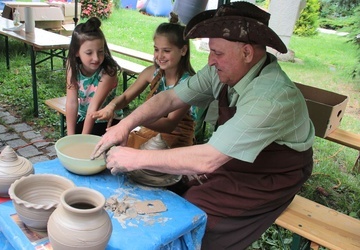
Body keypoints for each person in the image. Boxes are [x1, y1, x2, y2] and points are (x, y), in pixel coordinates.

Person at [92, 2, 315, 249]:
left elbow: (207, 160)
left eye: (217, 53)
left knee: (196, 215)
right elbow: (170, 98)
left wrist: (134, 158)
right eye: (210, 51)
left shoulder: (271, 97)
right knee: (176, 190)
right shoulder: (223, 71)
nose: (210, 61)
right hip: (234, 155)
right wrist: (126, 125)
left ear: (247, 53)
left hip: (271, 173)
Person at [91, 13, 196, 148]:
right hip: (148, 133)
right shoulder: (153, 72)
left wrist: (132, 120)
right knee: (109, 147)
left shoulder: (189, 83)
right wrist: (111, 106)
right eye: (156, 49)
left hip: (175, 141)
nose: (160, 56)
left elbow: (170, 124)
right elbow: (125, 97)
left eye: (166, 50)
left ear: (183, 50)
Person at [65, 17, 122, 136]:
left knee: (87, 146)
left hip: (106, 119)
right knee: (71, 139)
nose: (96, 58)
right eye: (89, 53)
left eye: (100, 51)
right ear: (76, 52)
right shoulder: (72, 66)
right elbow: (71, 102)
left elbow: (94, 107)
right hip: (85, 116)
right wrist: (70, 137)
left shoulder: (109, 71)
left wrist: (82, 139)